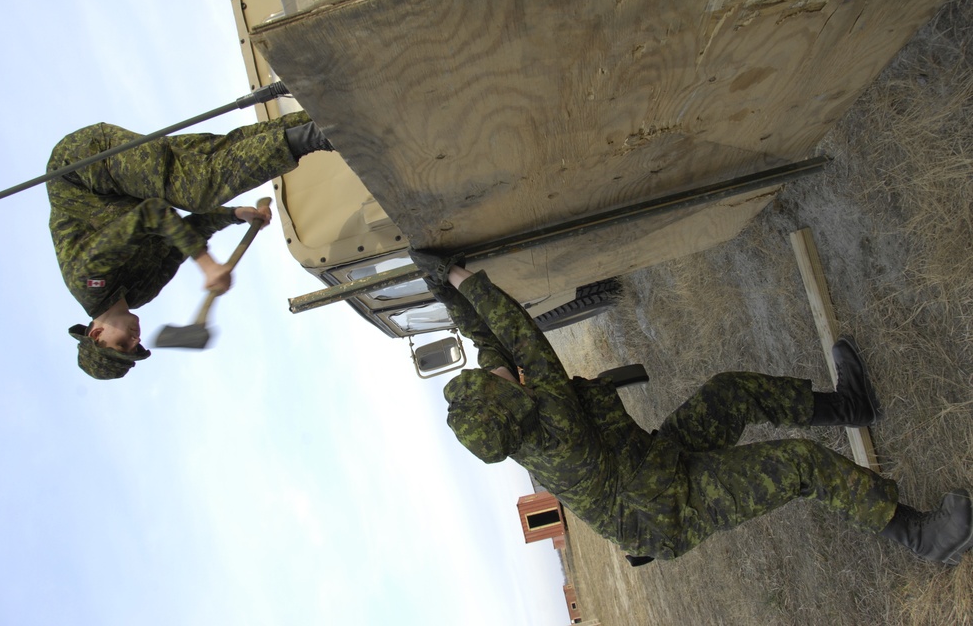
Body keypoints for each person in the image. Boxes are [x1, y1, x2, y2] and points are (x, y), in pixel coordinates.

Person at [409, 250, 973, 566]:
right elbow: (524, 338)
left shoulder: (519, 412)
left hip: (655, 465)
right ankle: (921, 536)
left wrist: (445, 292)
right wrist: (462, 275)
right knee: (801, 466)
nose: (495, 369)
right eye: (494, 379)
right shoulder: (554, 426)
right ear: (509, 401)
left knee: (729, 391)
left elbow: (492, 343)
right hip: (668, 509)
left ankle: (851, 405)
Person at [49, 111, 332, 380]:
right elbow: (187, 232)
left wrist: (207, 266)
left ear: (97, 335)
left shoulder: (89, 279)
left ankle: (321, 135)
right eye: (135, 347)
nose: (136, 339)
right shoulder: (141, 292)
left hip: (80, 169)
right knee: (212, 157)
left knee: (198, 188)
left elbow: (154, 213)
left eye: (123, 344)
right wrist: (234, 215)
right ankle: (325, 114)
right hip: (121, 194)